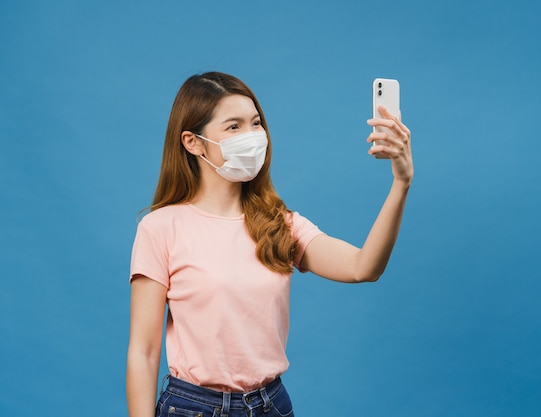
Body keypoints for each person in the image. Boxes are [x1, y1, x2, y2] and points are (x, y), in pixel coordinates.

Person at [126, 71, 413, 417]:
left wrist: (401, 182)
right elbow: (143, 352)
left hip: (270, 406)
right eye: (233, 127)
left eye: (255, 123)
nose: (251, 136)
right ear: (193, 142)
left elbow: (362, 267)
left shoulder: (281, 224)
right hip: (193, 408)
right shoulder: (161, 228)